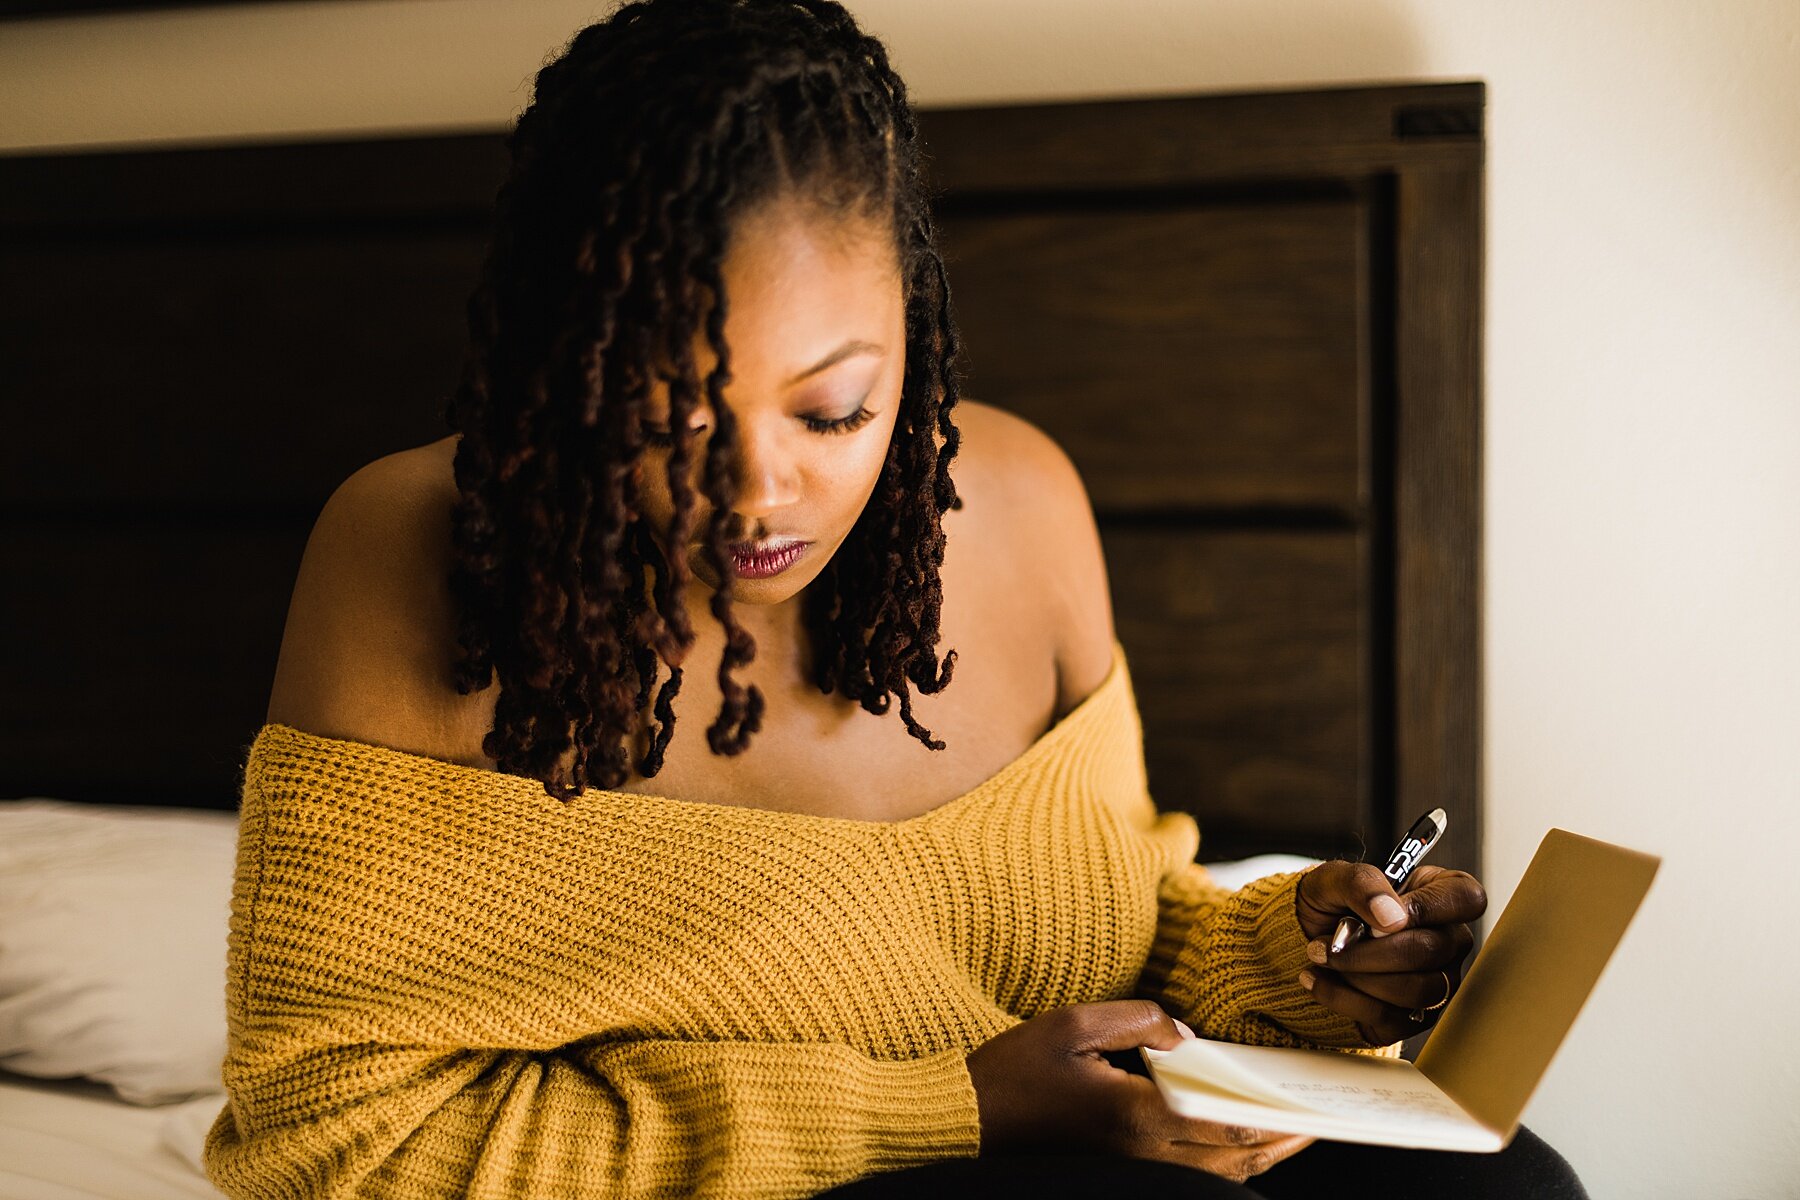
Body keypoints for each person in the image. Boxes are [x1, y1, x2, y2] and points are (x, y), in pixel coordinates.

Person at [202, 1, 1588, 1197]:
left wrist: (1295, 962)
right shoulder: (425, 557)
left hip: (1093, 1160)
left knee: (1514, 1182)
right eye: (668, 416)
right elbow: (334, 1144)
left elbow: (1116, 925)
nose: (757, 491)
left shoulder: (1024, 495)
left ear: (913, 337)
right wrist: (955, 1110)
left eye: (835, 408)